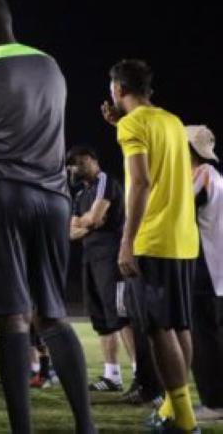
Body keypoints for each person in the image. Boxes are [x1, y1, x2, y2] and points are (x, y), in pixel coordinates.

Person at [0, 0, 94, 433]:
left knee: (12, 318)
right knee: (53, 314)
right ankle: (86, 426)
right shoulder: (50, 64)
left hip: (2, 194)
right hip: (54, 198)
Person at [100, 58, 200, 433]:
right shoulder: (172, 121)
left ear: (119, 89)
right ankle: (175, 408)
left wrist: (127, 242)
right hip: (182, 238)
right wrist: (120, 124)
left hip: (153, 239)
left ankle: (184, 420)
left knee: (159, 330)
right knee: (179, 325)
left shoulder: (133, 125)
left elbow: (141, 182)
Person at [66, 145, 135, 392]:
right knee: (102, 319)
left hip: (111, 258)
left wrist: (86, 222)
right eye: (73, 164)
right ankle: (112, 376)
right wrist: (88, 223)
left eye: (81, 161)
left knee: (121, 316)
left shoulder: (105, 181)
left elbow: (94, 219)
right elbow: (70, 232)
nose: (76, 167)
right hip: (90, 258)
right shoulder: (79, 194)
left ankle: (141, 374)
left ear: (94, 160)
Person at [187, 125, 223, 422]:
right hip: (216, 268)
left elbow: (179, 212)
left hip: (206, 269)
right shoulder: (216, 176)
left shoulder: (201, 175)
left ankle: (214, 403)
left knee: (204, 338)